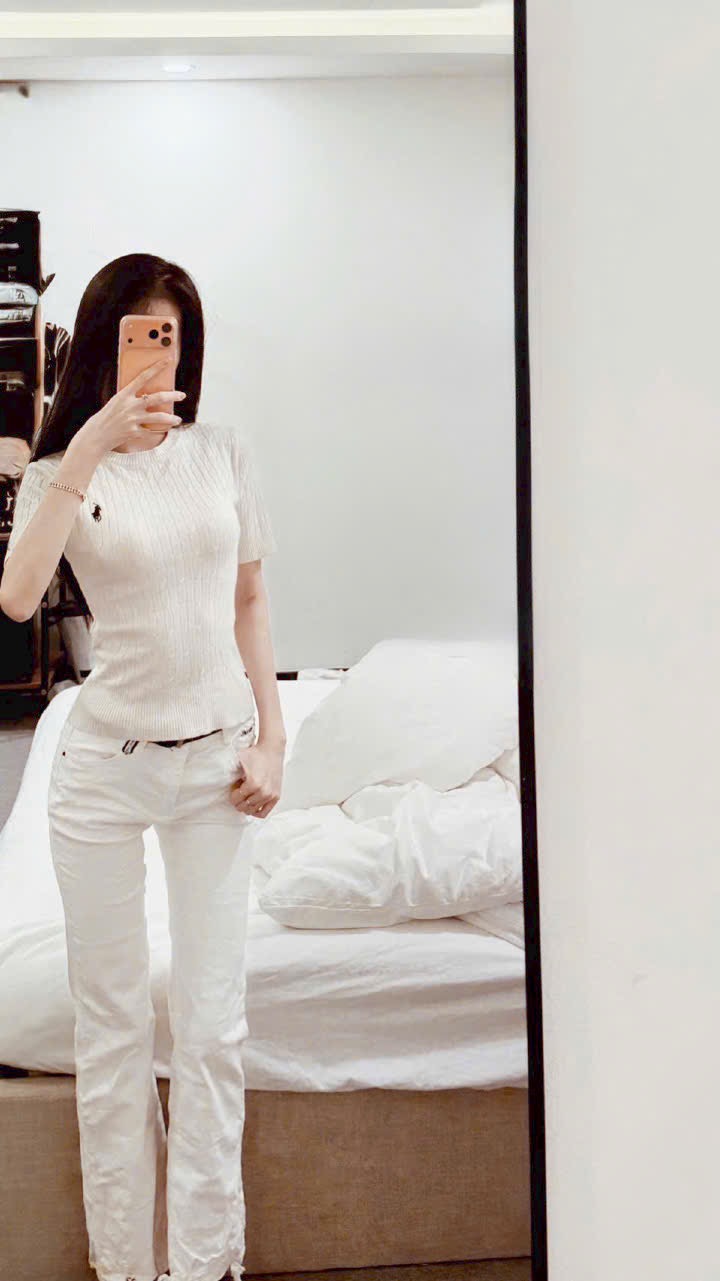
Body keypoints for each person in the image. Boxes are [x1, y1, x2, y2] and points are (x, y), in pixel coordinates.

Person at [0, 252, 286, 1281]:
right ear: (102, 348)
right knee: (114, 1032)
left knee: (212, 1030)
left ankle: (203, 1265)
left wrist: (273, 737)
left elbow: (250, 600)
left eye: (169, 338)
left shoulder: (222, 452)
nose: (154, 358)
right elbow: (17, 597)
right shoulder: (62, 473)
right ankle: (127, 1267)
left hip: (216, 769)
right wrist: (85, 443)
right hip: (104, 774)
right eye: (136, 338)